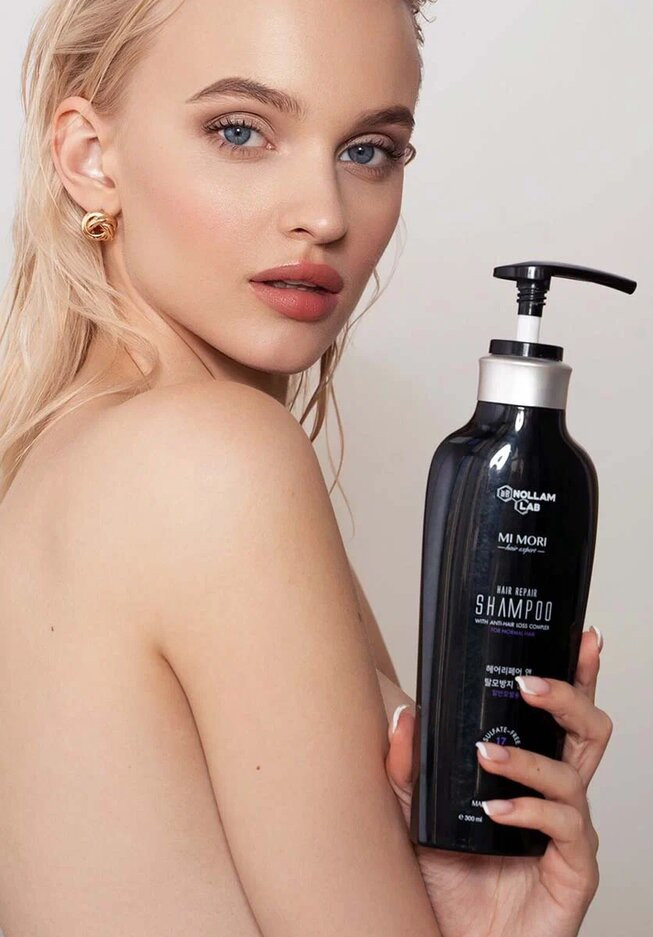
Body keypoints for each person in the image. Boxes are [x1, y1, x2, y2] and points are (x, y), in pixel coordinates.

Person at [0, 0, 612, 934]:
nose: (324, 215)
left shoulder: (59, 458)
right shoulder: (215, 458)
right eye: (240, 131)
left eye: (369, 149)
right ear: (91, 156)